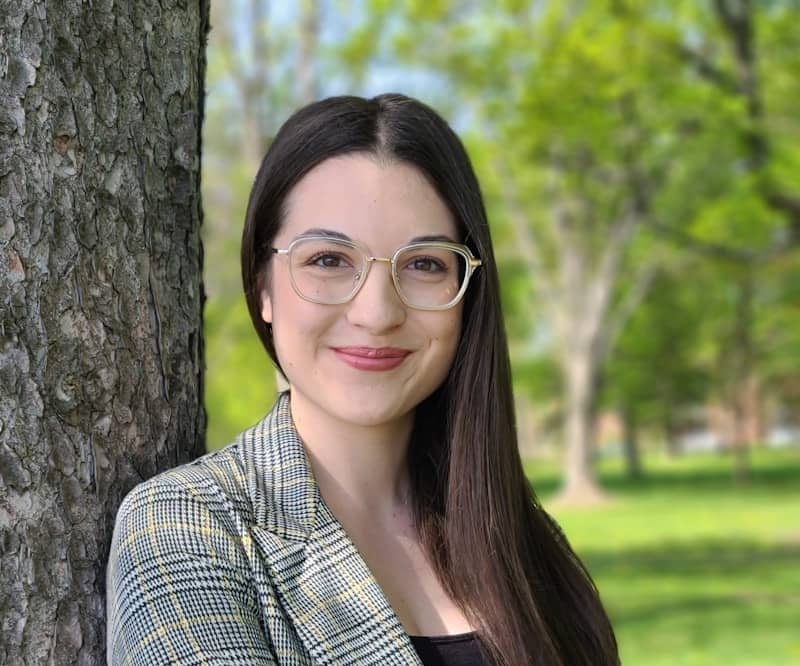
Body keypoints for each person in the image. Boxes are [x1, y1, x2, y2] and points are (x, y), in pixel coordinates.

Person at [106, 94, 619, 666]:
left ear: (466, 294)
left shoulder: (516, 535)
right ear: (264, 287)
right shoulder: (184, 530)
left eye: (424, 264)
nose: (377, 313)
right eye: (328, 260)